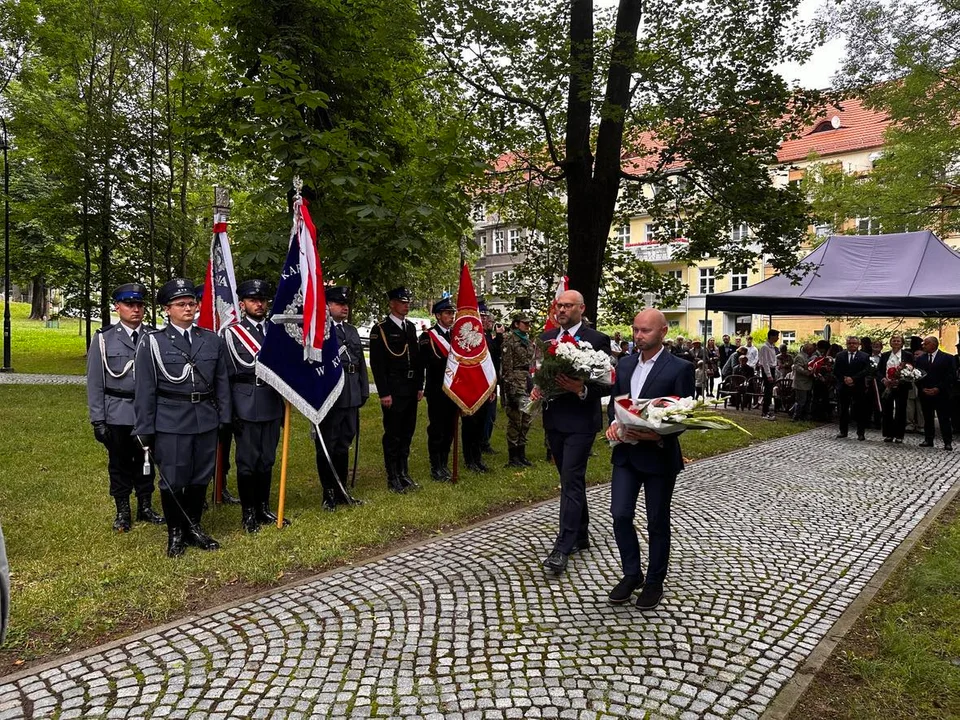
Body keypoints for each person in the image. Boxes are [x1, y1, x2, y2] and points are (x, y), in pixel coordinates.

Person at [133, 278, 231, 557]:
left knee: (201, 476)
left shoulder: (211, 340)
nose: (188, 308)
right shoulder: (153, 342)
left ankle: (194, 527)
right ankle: (176, 533)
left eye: (191, 303)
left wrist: (224, 418)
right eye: (180, 304)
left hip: (205, 419)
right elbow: (145, 389)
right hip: (171, 420)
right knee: (174, 478)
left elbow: (221, 382)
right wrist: (144, 429)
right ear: (167, 309)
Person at [604, 309, 695, 610]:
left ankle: (655, 581)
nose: (638, 335)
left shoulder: (679, 368)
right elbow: (615, 404)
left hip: (658, 457)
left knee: (657, 521)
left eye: (645, 331)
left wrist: (659, 435)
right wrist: (614, 424)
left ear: (663, 332)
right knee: (620, 514)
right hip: (627, 454)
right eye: (635, 329)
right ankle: (632, 573)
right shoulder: (626, 363)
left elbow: (685, 414)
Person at [531, 290, 611, 575]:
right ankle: (581, 533)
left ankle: (562, 547)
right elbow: (538, 371)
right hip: (554, 420)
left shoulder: (596, 340)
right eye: (559, 305)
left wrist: (581, 388)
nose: (562, 309)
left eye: (568, 306)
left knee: (571, 479)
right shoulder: (546, 338)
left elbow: (607, 384)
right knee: (569, 479)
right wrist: (537, 387)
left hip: (580, 421)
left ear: (581, 308)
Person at [86, 283, 163, 532]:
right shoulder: (103, 339)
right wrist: (98, 419)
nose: (136, 309)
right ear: (117, 307)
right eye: (130, 304)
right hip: (117, 412)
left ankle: (145, 506)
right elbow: (95, 382)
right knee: (119, 463)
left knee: (146, 461)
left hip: (146, 413)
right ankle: (122, 510)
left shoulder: (153, 337)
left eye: (140, 305)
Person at [225, 279, 287, 531]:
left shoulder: (276, 332)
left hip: (272, 401)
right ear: (243, 304)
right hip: (245, 403)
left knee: (267, 459)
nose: (259, 304)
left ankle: (263, 508)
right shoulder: (231, 333)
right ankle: (248, 512)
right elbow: (226, 377)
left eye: (262, 300)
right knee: (248, 462)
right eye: (253, 300)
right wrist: (230, 412)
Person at [315, 286, 369, 507]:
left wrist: (363, 390)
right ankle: (328, 492)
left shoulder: (352, 331)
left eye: (346, 303)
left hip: (351, 393)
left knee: (344, 442)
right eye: (339, 303)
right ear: (328, 305)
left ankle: (341, 490)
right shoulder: (321, 332)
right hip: (331, 395)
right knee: (328, 444)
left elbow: (360, 364)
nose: (344, 307)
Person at [369, 286, 424, 493]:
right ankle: (392, 476)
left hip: (410, 388)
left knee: (407, 432)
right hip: (394, 388)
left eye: (408, 302)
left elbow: (416, 360)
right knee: (393, 434)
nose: (406, 305)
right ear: (392, 304)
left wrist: (420, 385)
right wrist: (384, 392)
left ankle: (403, 471)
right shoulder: (381, 329)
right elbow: (377, 364)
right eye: (402, 302)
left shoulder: (410, 327)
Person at [418, 297, 459, 480]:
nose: (451, 316)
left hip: (454, 390)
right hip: (437, 390)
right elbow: (426, 363)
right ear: (438, 315)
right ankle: (435, 466)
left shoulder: (456, 336)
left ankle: (444, 462)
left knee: (450, 428)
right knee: (437, 429)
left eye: (452, 313)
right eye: (447, 313)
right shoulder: (428, 336)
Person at [501, 312, 536, 468]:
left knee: (526, 419)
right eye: (525, 323)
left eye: (529, 323)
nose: (528, 326)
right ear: (516, 324)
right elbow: (507, 367)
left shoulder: (527, 341)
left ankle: (521, 454)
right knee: (516, 419)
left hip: (527, 380)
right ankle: (513, 456)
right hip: (516, 382)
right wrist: (510, 388)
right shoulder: (509, 340)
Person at [915, 336, 953, 451]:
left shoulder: (947, 358)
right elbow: (917, 375)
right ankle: (928, 439)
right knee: (928, 417)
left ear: (933, 344)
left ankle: (947, 441)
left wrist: (938, 388)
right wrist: (922, 388)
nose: (923, 346)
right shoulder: (921, 359)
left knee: (944, 418)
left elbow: (950, 376)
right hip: (925, 392)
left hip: (941, 394)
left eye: (925, 344)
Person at [878, 334, 913, 443]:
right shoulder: (885, 355)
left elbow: (911, 370)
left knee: (900, 411)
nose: (896, 342)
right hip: (887, 386)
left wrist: (900, 380)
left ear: (902, 343)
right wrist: (884, 380)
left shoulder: (907, 355)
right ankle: (888, 434)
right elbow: (879, 370)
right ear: (890, 342)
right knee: (887, 410)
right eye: (894, 341)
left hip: (901, 386)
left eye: (898, 341)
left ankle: (899, 435)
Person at [833, 336, 870, 441]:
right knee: (843, 409)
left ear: (858, 344)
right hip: (844, 386)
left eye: (854, 343)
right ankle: (843, 431)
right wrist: (844, 379)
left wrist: (853, 379)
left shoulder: (864, 356)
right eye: (849, 343)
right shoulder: (840, 355)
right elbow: (836, 370)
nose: (852, 345)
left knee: (860, 410)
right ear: (846, 344)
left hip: (858, 386)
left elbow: (866, 370)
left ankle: (861, 433)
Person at [478, 301, 503, 454]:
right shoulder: (478, 336)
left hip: (491, 378)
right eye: (486, 318)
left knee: (490, 414)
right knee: (484, 414)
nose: (489, 322)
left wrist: (498, 336)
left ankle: (485, 441)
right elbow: (490, 350)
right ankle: (481, 442)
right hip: (482, 380)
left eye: (490, 319)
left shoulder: (487, 334)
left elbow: (496, 353)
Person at [758, 329, 780, 420]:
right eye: (776, 336)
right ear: (771, 336)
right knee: (767, 391)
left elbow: (773, 360)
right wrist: (769, 375)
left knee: (770, 391)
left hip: (772, 369)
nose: (778, 338)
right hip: (767, 370)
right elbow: (765, 362)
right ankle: (765, 411)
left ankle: (767, 410)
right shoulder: (765, 347)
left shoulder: (772, 347)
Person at [791, 342, 815, 421]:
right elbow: (798, 368)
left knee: (807, 401)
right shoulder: (800, 357)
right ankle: (796, 416)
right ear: (808, 349)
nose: (812, 351)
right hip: (801, 383)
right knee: (801, 401)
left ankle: (804, 416)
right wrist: (807, 372)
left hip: (807, 383)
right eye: (811, 349)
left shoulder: (807, 357)